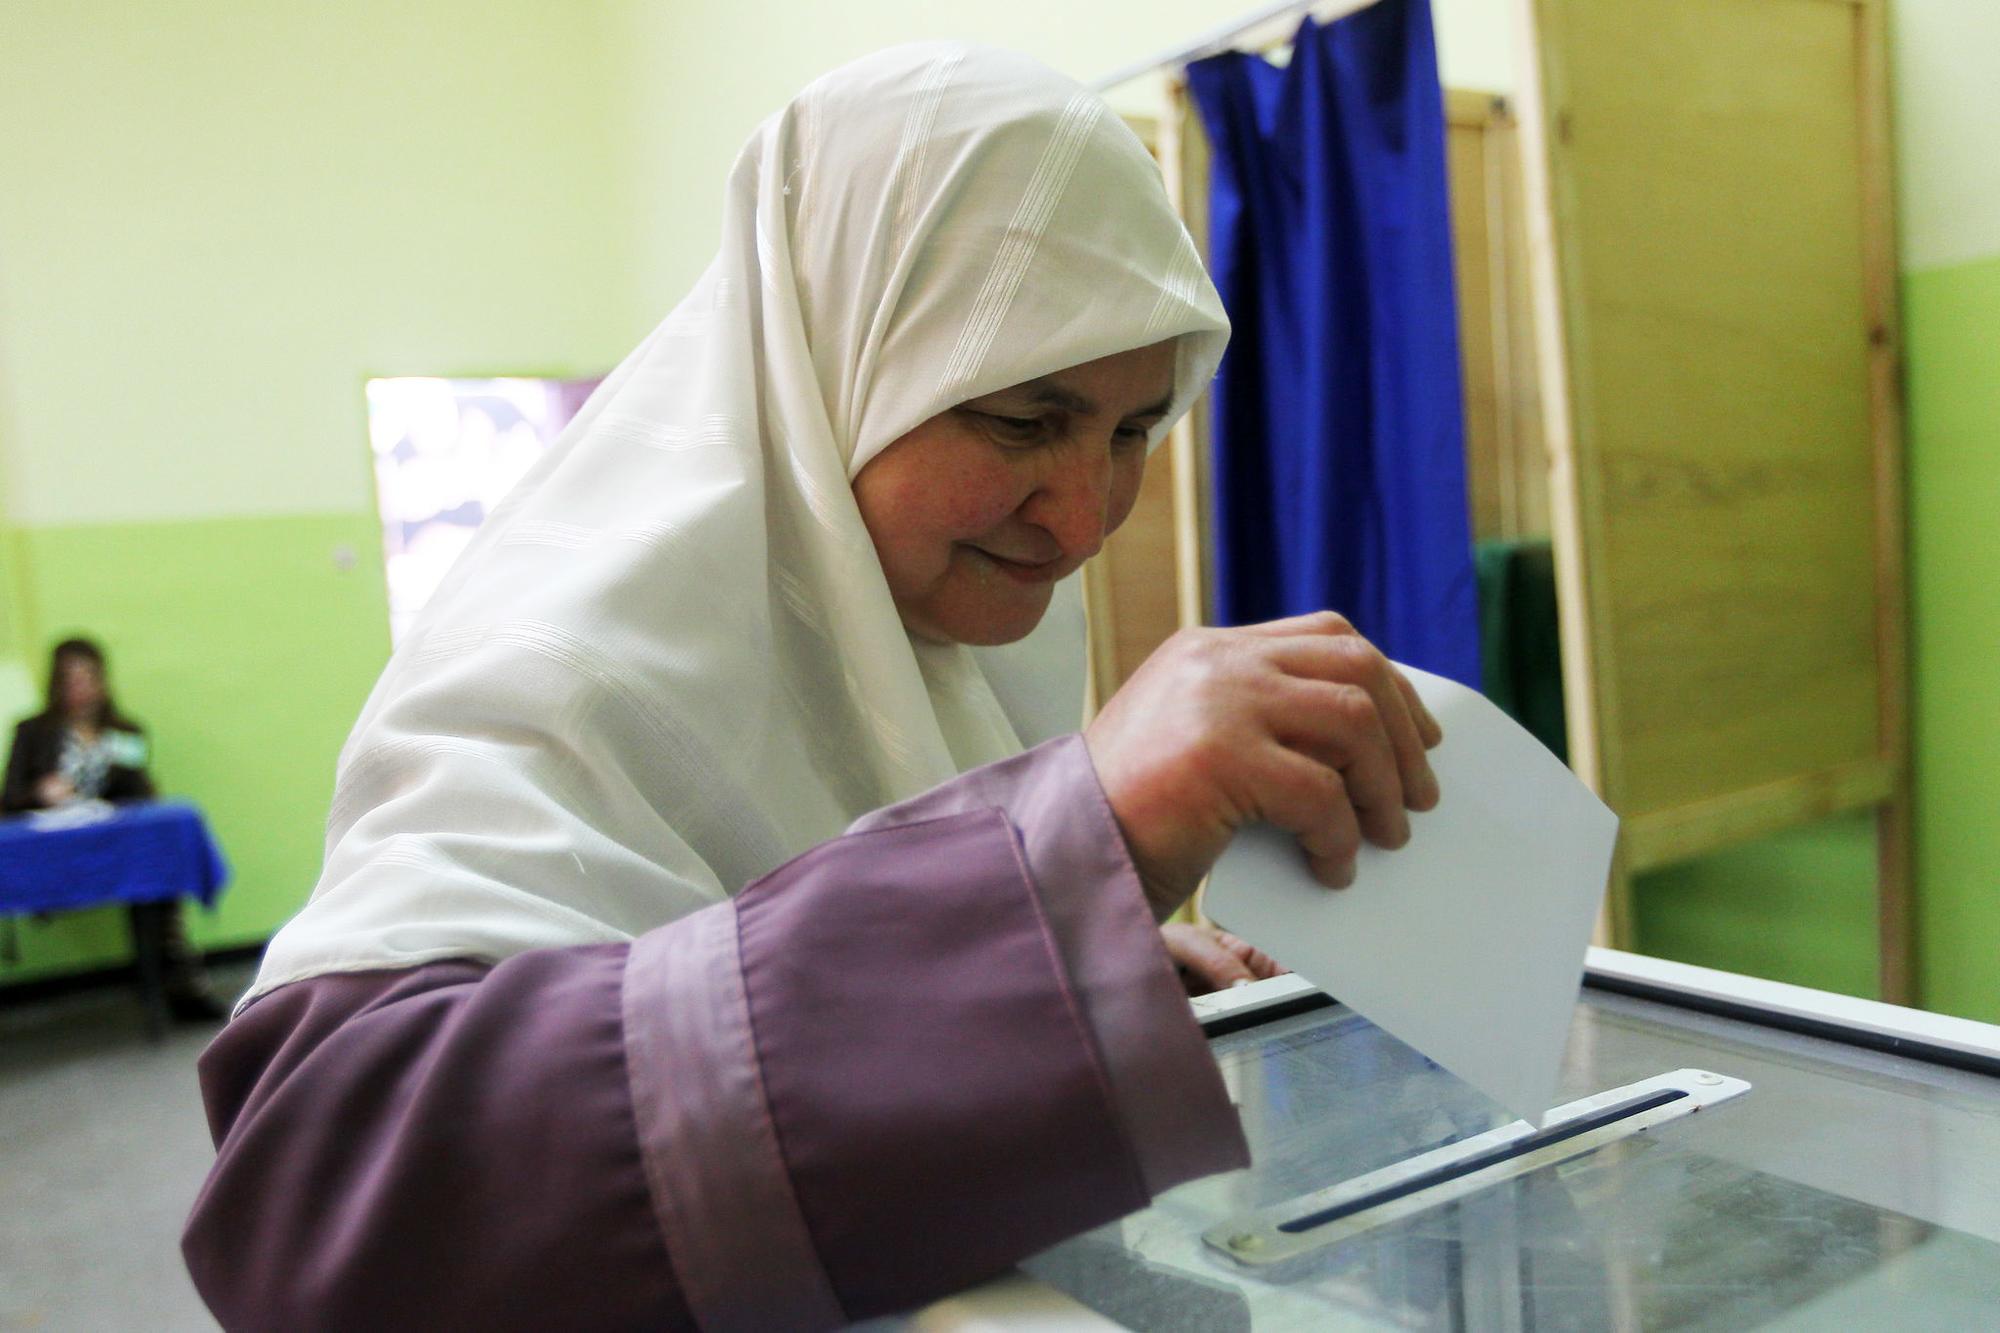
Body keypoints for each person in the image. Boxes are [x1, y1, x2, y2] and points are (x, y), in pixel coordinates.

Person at [182, 44, 1441, 1330]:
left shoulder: (937, 624)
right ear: (832, 362)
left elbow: (775, 955)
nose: (1081, 521)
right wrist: (1061, 860)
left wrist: (1068, 971)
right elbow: (322, 1192)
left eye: (1130, 432)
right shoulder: (559, 662)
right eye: (1019, 419)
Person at [2, 637, 224, 1021]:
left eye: (87, 678)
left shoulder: (124, 731)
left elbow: (142, 796)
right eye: (69, 680)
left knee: (157, 870)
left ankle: (179, 984)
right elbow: (9, 798)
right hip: (52, 849)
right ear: (56, 683)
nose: (79, 688)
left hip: (112, 847)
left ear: (102, 680)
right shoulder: (34, 731)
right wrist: (40, 792)